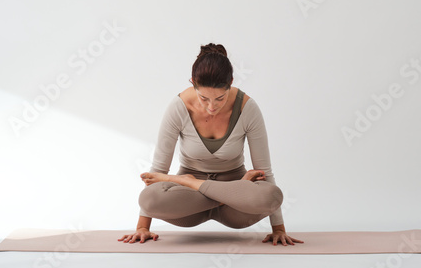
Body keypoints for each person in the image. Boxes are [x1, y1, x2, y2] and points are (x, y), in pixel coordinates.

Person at [118, 43, 304, 246]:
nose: (212, 106)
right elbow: (157, 172)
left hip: (235, 206)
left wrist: (278, 229)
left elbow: (264, 171)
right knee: (149, 199)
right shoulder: (178, 107)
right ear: (193, 83)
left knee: (272, 196)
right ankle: (199, 185)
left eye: (220, 98)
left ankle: (195, 183)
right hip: (190, 203)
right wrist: (142, 227)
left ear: (231, 83)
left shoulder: (248, 108)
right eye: (204, 98)